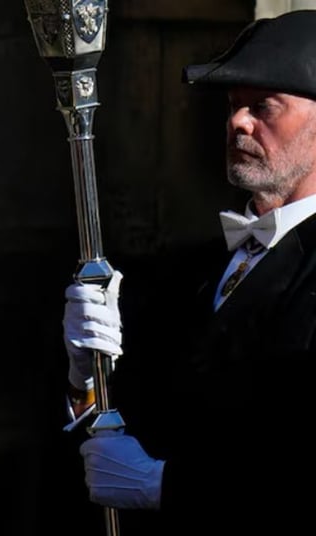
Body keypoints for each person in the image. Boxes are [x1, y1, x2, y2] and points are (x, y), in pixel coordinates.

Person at [62, 9, 316, 535]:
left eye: (263, 105)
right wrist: (86, 380)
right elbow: (134, 426)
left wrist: (167, 488)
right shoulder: (194, 268)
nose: (238, 122)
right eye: (233, 106)